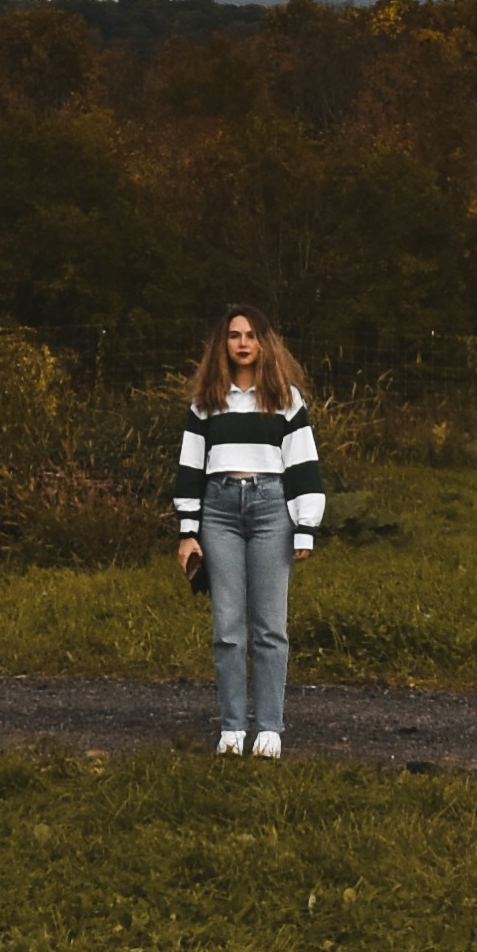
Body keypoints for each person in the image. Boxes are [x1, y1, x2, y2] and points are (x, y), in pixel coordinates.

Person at [175, 306, 323, 758]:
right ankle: (233, 728)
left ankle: (270, 729)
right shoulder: (206, 401)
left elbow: (303, 466)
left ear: (264, 343)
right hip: (218, 512)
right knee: (227, 626)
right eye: (234, 335)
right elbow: (190, 468)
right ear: (223, 344)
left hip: (270, 511)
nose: (243, 343)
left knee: (270, 626)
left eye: (252, 335)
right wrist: (188, 530)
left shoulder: (285, 399)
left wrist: (304, 528)